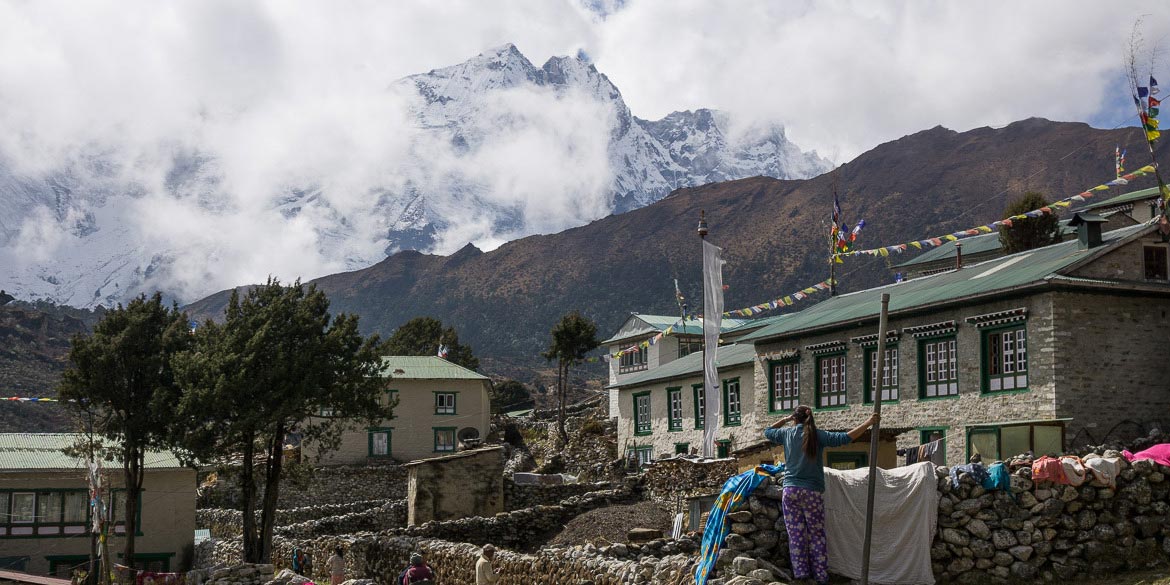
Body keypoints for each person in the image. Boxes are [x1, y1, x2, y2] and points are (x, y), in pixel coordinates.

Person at [764, 405, 880, 585]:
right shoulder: (818, 435)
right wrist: (869, 422)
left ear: (795, 418)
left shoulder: (787, 434)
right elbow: (846, 438)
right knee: (816, 534)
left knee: (796, 534)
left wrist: (786, 419)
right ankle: (821, 576)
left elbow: (768, 431)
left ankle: (801, 574)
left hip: (790, 490)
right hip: (812, 492)